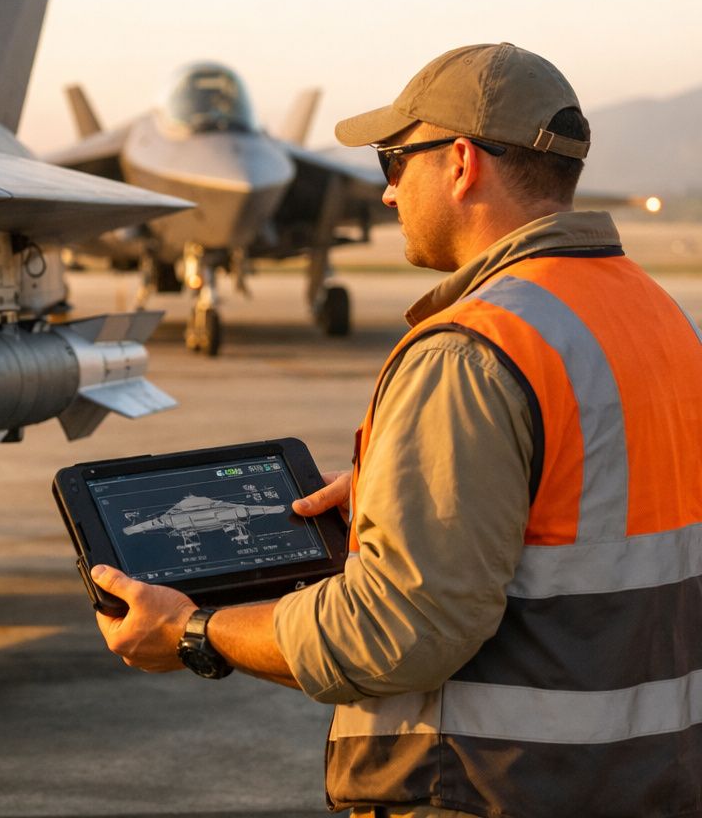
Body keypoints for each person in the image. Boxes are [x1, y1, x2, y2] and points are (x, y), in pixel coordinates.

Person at [92, 43, 702, 817]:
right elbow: (600, 496)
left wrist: (195, 631)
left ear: (459, 163)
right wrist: (419, 486)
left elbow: (399, 627)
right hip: (649, 777)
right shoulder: (656, 317)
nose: (385, 194)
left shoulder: (473, 350)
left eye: (393, 159)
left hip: (494, 786)